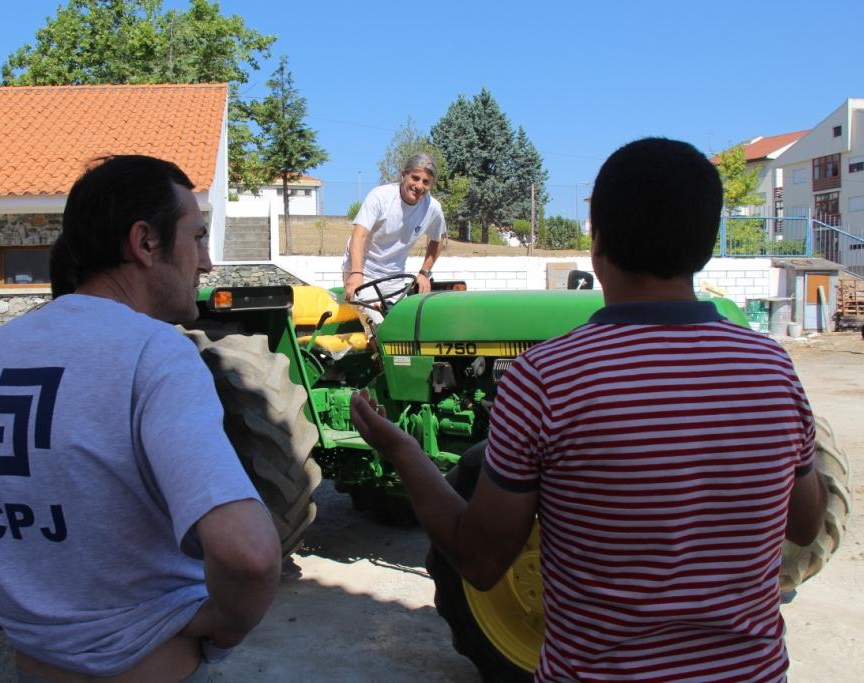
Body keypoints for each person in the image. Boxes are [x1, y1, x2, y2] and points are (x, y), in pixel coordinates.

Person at [351, 138, 828, 681]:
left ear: (595, 243)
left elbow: (481, 562)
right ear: (705, 245)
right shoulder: (772, 366)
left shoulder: (545, 378)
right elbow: (807, 523)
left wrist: (403, 450)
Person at [0, 155, 281, 683]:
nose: (206, 262)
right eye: (197, 237)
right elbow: (248, 554)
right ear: (146, 243)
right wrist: (227, 624)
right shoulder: (155, 354)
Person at [342, 153, 446, 320]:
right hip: (364, 272)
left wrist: (424, 272)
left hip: (395, 278)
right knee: (377, 325)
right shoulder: (380, 197)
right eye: (415, 178)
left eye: (426, 182)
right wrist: (355, 274)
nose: (419, 186)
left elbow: (437, 239)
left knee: (406, 326)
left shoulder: (432, 208)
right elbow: (358, 236)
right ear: (403, 175)